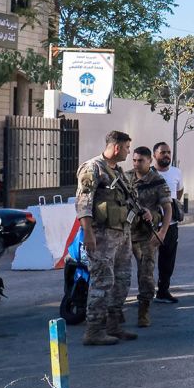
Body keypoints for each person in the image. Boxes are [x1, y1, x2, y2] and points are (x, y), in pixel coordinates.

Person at [76, 131, 138, 346]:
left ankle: (113, 326)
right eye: (128, 148)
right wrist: (88, 232)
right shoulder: (93, 168)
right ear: (118, 147)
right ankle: (94, 330)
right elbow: (83, 202)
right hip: (101, 235)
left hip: (121, 234)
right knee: (102, 281)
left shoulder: (118, 172)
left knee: (122, 280)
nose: (129, 152)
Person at [127, 146, 173, 329]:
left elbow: (167, 209)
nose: (137, 164)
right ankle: (114, 313)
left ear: (149, 161)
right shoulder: (126, 178)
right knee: (119, 272)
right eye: (134, 160)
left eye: (141, 161)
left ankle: (143, 311)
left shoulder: (157, 181)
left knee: (145, 275)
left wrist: (162, 232)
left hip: (147, 235)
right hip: (125, 233)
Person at [152, 142, 184, 304]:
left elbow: (179, 191)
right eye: (163, 152)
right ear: (154, 155)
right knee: (146, 260)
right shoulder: (148, 173)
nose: (166, 155)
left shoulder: (176, 172)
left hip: (170, 224)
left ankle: (163, 291)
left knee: (168, 260)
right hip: (150, 225)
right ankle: (145, 292)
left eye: (168, 152)